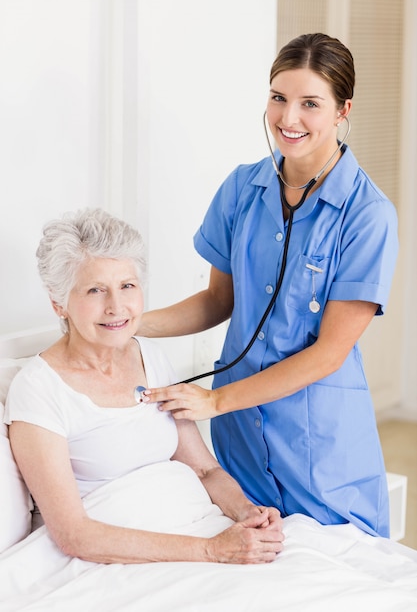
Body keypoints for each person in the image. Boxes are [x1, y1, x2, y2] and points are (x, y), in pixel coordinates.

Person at [136, 33, 399, 538]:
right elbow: (219, 301)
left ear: (343, 109)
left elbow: (329, 354)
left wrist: (213, 402)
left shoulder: (368, 215)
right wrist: (129, 324)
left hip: (320, 448)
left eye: (310, 104)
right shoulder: (242, 188)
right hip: (241, 442)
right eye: (278, 97)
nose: (288, 118)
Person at [4, 208, 284, 565]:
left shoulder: (150, 357)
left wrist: (247, 513)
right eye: (95, 290)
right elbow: (74, 535)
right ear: (59, 303)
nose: (116, 307)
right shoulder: (38, 389)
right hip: (120, 559)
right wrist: (212, 551)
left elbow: (205, 470)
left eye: (127, 286)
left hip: (198, 526)